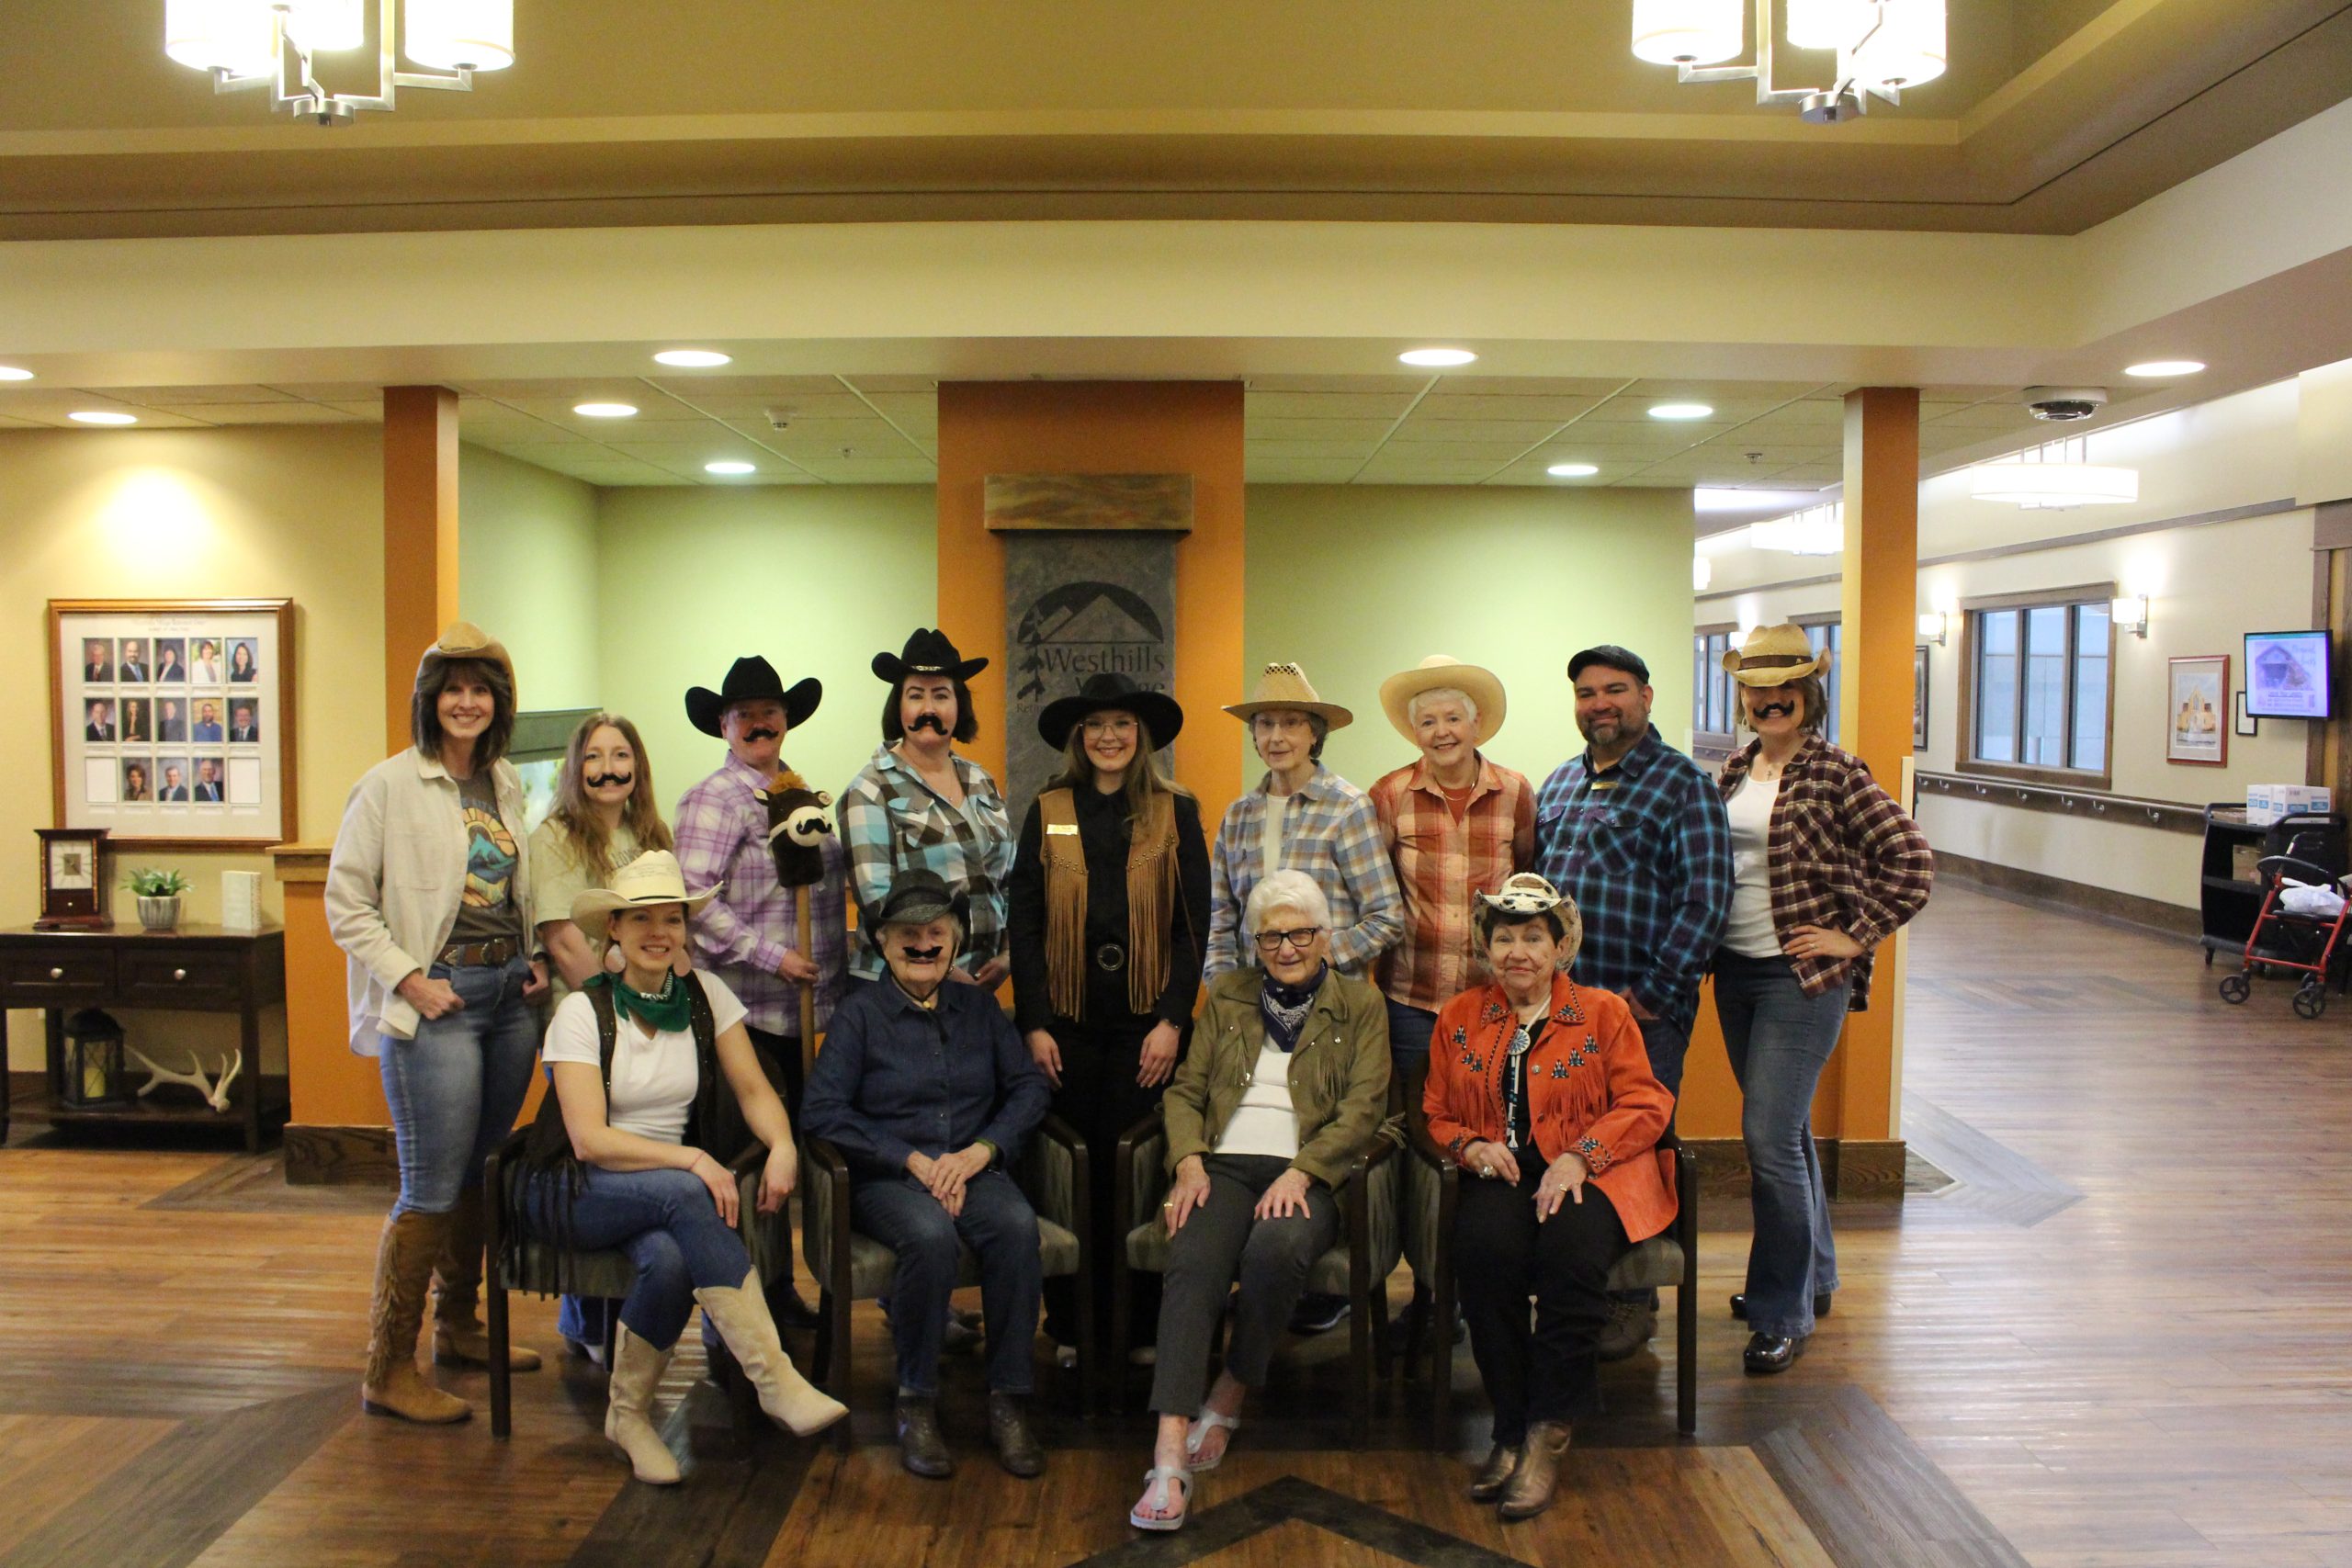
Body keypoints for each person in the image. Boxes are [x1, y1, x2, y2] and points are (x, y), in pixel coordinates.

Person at [517, 851, 847, 1484]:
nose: (658, 932)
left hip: (659, 1193)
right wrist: (693, 1158)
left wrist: (782, 1145)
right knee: (684, 1193)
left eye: (671, 918)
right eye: (641, 918)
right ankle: (773, 1378)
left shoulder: (704, 995)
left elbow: (754, 1088)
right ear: (613, 927)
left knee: (668, 1259)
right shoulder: (582, 1011)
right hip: (573, 1187)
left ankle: (629, 1414)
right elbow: (588, 1140)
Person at [324, 622, 550, 1425]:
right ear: (431, 699)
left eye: (481, 688)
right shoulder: (387, 785)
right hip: (438, 1006)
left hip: (507, 1001)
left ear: (500, 701)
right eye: (452, 688)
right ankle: (388, 1366)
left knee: (481, 1169)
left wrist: (534, 956)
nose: (466, 701)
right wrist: (410, 979)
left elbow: (514, 890)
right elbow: (344, 903)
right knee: (428, 1184)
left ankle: (460, 1326)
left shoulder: (507, 784)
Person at [1130, 870, 1390, 1532]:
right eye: (1270, 934)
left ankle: (1233, 1386)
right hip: (1222, 1163)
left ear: (1325, 936)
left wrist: (1304, 1171)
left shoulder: (1362, 1004)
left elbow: (1363, 1110)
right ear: (1254, 941)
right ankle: (1168, 1450)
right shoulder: (1228, 997)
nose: (1285, 946)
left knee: (1277, 1249)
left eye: (1299, 932)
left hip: (1307, 1170)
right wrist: (1188, 1159)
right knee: (1192, 1255)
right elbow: (1185, 1090)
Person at [1712, 626, 1933, 1374]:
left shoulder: (1836, 770)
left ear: (1808, 697)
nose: (1769, 699)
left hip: (1799, 981)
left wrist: (1855, 934)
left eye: (1785, 689)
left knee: (1768, 1139)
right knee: (1790, 1133)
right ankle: (1818, 1275)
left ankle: (1781, 1310)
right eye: (1756, 688)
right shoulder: (1735, 770)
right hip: (1736, 972)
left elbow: (1912, 859)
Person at [1422, 873, 1675, 1519]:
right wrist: (1470, 1147)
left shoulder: (1603, 1012)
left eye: (1534, 936)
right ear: (1486, 946)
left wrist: (1581, 1156)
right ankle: (1509, 1424)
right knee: (1482, 1254)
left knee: (1570, 1256)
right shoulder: (1459, 1016)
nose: (1518, 952)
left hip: (1597, 1168)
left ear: (1560, 947)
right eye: (1505, 937)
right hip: (1505, 1169)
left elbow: (1647, 1101)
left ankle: (1548, 1431)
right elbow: (1436, 1111)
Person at [803, 871, 1053, 1481]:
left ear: (955, 940)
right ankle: (915, 1400)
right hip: (887, 1179)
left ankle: (1009, 1399)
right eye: (907, 934)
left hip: (972, 1167)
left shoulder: (980, 1008)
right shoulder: (859, 1015)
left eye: (935, 932)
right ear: (883, 945)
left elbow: (1026, 1087)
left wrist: (983, 1150)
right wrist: (909, 1158)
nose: (923, 944)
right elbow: (823, 1110)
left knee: (1018, 1226)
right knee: (930, 1236)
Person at [1532, 643, 1730, 1359]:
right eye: (1586, 692)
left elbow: (1706, 900)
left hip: (1643, 1016)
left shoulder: (1683, 786)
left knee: (1630, 1147)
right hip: (1562, 1017)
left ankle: (1631, 1302)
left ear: (1647, 696)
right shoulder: (1558, 786)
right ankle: (1579, 1287)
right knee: (1568, 1143)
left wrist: (1651, 996)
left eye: (1615, 689)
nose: (1600, 703)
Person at [1006, 671, 1210, 1366]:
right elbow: (1024, 922)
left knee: (1141, 1170)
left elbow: (1193, 927)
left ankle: (1142, 1326)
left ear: (1141, 735)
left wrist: (1172, 1020)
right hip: (1063, 1024)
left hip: (1143, 1026)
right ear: (1078, 737)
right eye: (1095, 726)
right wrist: (1032, 1021)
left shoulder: (1175, 810)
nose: (1109, 737)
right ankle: (1070, 1324)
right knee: (1072, 1169)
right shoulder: (1048, 807)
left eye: (1121, 724)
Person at [1204, 661, 1401, 1337]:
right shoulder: (1239, 814)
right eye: (1265, 722)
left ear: (1316, 733)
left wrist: (1307, 960)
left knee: (1317, 1137)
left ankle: (1315, 1285)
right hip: (1247, 1020)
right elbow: (1221, 917)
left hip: (1331, 1017)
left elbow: (1384, 915)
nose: (1277, 734)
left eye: (1292, 722)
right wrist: (1224, 993)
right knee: (1248, 1134)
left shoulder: (1347, 808)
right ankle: (1247, 1276)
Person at [1367, 655, 1535, 1345]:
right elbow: (1376, 896)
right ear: (1415, 732)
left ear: (1475, 723)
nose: (1441, 731)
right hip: (1411, 1000)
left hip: (1493, 1005)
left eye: (1452, 717)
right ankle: (1431, 1294)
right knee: (1422, 1148)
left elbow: (1529, 880)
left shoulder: (1516, 791)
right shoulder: (1388, 794)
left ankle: (1475, 1291)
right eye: (1428, 720)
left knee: (1491, 1138)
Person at [674, 654, 844, 1325]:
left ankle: (781, 1292)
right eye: (745, 713)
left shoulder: (795, 793)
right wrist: (773, 956)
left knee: (797, 1166)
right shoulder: (713, 799)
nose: (759, 723)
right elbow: (694, 901)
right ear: (723, 724)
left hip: (808, 1012)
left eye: (770, 712)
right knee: (754, 1170)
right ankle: (745, 1308)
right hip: (751, 1017)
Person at [526, 710, 676, 1362]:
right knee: (593, 1161)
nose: (607, 767)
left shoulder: (652, 834)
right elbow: (564, 940)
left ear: (638, 765)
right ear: (574, 766)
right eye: (593, 756)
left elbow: (671, 931)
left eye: (621, 754)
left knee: (637, 1161)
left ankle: (621, 1312)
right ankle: (587, 1319)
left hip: (651, 1022)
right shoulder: (555, 837)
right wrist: (619, 1013)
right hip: (586, 1026)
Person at [840, 629, 1015, 998]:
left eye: (941, 695)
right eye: (915, 696)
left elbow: (1008, 879)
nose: (928, 710)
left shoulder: (981, 781)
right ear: (898, 707)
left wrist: (1008, 955)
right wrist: (945, 969)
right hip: (896, 990)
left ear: (959, 706)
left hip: (977, 986)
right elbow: (878, 903)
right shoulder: (869, 789)